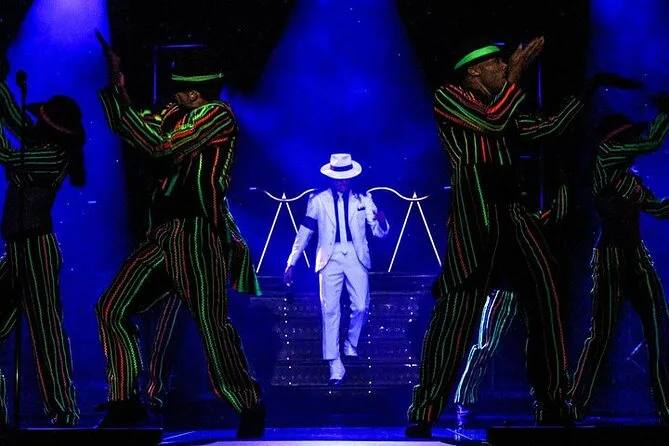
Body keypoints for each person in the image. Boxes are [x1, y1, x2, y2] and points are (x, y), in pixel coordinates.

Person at [405, 36, 590, 438]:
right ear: (474, 70)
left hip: (514, 215)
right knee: (457, 313)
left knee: (546, 301)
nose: (505, 67)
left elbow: (545, 128)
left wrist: (584, 92)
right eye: (498, 64)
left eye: (508, 64)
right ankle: (426, 409)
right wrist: (518, 75)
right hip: (476, 218)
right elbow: (491, 121)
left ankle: (552, 400)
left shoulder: (504, 105)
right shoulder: (450, 96)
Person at [95, 34, 265, 439]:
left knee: (211, 324)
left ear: (195, 92)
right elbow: (131, 128)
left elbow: (160, 146)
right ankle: (125, 402)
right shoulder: (174, 111)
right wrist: (117, 89)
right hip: (162, 233)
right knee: (111, 308)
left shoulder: (217, 115)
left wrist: (133, 116)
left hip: (197, 231)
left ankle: (248, 403)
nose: (174, 95)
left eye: (180, 90)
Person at [567, 104, 669, 425]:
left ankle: (666, 406)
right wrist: (665, 114)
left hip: (635, 256)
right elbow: (651, 142)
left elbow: (658, 209)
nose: (632, 145)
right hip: (610, 257)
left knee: (659, 327)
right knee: (601, 334)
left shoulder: (628, 180)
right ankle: (575, 403)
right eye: (628, 139)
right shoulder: (606, 156)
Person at [0, 72, 84, 427]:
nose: (32, 124)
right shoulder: (41, 147)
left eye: (40, 120)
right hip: (17, 250)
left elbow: (7, 153)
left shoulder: (54, 156)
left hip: (37, 247)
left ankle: (63, 407)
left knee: (46, 330)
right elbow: (14, 119)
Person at [454, 179, 569, 427]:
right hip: (503, 291)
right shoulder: (494, 223)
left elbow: (555, 215)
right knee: (486, 346)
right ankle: (464, 401)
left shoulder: (529, 222)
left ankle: (548, 400)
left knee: (542, 347)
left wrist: (563, 184)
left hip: (530, 290)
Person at [284, 153, 389, 384]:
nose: (342, 181)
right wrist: (292, 261)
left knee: (361, 305)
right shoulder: (317, 200)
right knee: (330, 309)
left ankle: (351, 342)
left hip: (355, 255)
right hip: (329, 257)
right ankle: (335, 364)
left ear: (352, 177)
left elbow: (378, 232)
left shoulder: (364, 199)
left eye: (346, 176)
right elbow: (305, 233)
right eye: (338, 177)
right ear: (331, 177)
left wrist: (382, 222)